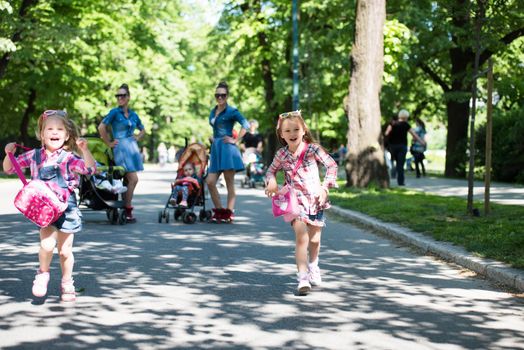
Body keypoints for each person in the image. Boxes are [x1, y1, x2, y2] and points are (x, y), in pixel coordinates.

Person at [3, 110, 96, 302]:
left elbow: (89, 169)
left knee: (64, 251)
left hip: (66, 208)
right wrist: (8, 154)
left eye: (60, 129)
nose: (55, 132)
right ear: (42, 134)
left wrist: (85, 150)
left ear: (67, 135)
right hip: (44, 209)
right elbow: (9, 168)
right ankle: (42, 273)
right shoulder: (34, 156)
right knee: (46, 245)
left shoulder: (69, 157)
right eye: (50, 128)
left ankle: (67, 281)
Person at [265, 110, 338, 295]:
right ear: (281, 134)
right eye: (287, 131)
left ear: (303, 130)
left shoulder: (313, 149)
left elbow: (331, 165)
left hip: (315, 200)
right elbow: (270, 171)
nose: (292, 134)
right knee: (302, 238)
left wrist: (325, 187)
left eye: (296, 129)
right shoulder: (281, 154)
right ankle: (302, 278)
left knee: (315, 239)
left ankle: (313, 265)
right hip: (294, 203)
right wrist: (271, 180)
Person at [98, 84, 145, 222]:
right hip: (120, 149)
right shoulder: (114, 112)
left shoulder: (133, 115)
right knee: (133, 179)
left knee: (127, 180)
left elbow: (142, 129)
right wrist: (108, 143)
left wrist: (137, 137)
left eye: (123, 95)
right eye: (118, 96)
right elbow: (101, 127)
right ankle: (128, 208)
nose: (120, 98)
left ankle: (125, 209)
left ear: (128, 97)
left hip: (132, 148)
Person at [206, 81, 250, 223]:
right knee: (210, 181)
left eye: (223, 95)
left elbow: (245, 124)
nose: (220, 97)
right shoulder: (213, 111)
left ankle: (229, 213)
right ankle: (219, 211)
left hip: (227, 149)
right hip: (216, 149)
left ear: (227, 96)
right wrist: (214, 138)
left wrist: (236, 140)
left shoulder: (232, 111)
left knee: (229, 182)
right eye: (217, 95)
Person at [384, 109, 426, 186]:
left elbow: (386, 133)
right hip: (402, 147)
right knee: (400, 164)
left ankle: (393, 176)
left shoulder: (392, 124)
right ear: (406, 116)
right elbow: (414, 135)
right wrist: (422, 142)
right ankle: (400, 182)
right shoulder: (406, 125)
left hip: (392, 146)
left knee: (394, 161)